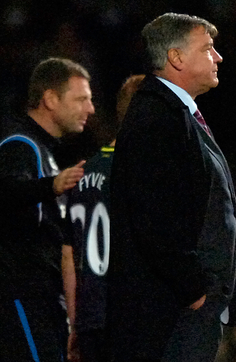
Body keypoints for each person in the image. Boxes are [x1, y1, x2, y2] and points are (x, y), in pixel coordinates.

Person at [107, 13, 236, 362]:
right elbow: (153, 216)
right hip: (170, 313)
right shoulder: (155, 117)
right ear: (176, 57)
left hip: (187, 308)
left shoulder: (176, 113)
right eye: (208, 49)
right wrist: (193, 288)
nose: (218, 57)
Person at [0, 57, 94, 362]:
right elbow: (6, 192)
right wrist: (51, 186)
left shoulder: (45, 150)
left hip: (42, 295)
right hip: (21, 293)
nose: (90, 109)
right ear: (50, 99)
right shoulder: (20, 144)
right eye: (80, 99)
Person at [66, 74, 144, 362]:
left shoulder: (81, 173)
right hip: (129, 315)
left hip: (89, 318)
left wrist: (75, 322)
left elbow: (68, 254)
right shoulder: (137, 174)